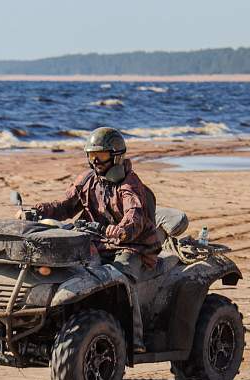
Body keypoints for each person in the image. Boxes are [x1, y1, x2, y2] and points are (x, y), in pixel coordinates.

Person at [18, 127, 160, 352]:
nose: (95, 161)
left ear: (116, 156)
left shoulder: (129, 184)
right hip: (96, 241)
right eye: (91, 155)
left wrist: (121, 230)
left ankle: (136, 340)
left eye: (101, 155)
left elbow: (136, 216)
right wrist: (37, 211)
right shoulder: (87, 180)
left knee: (122, 277)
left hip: (133, 247)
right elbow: (64, 206)